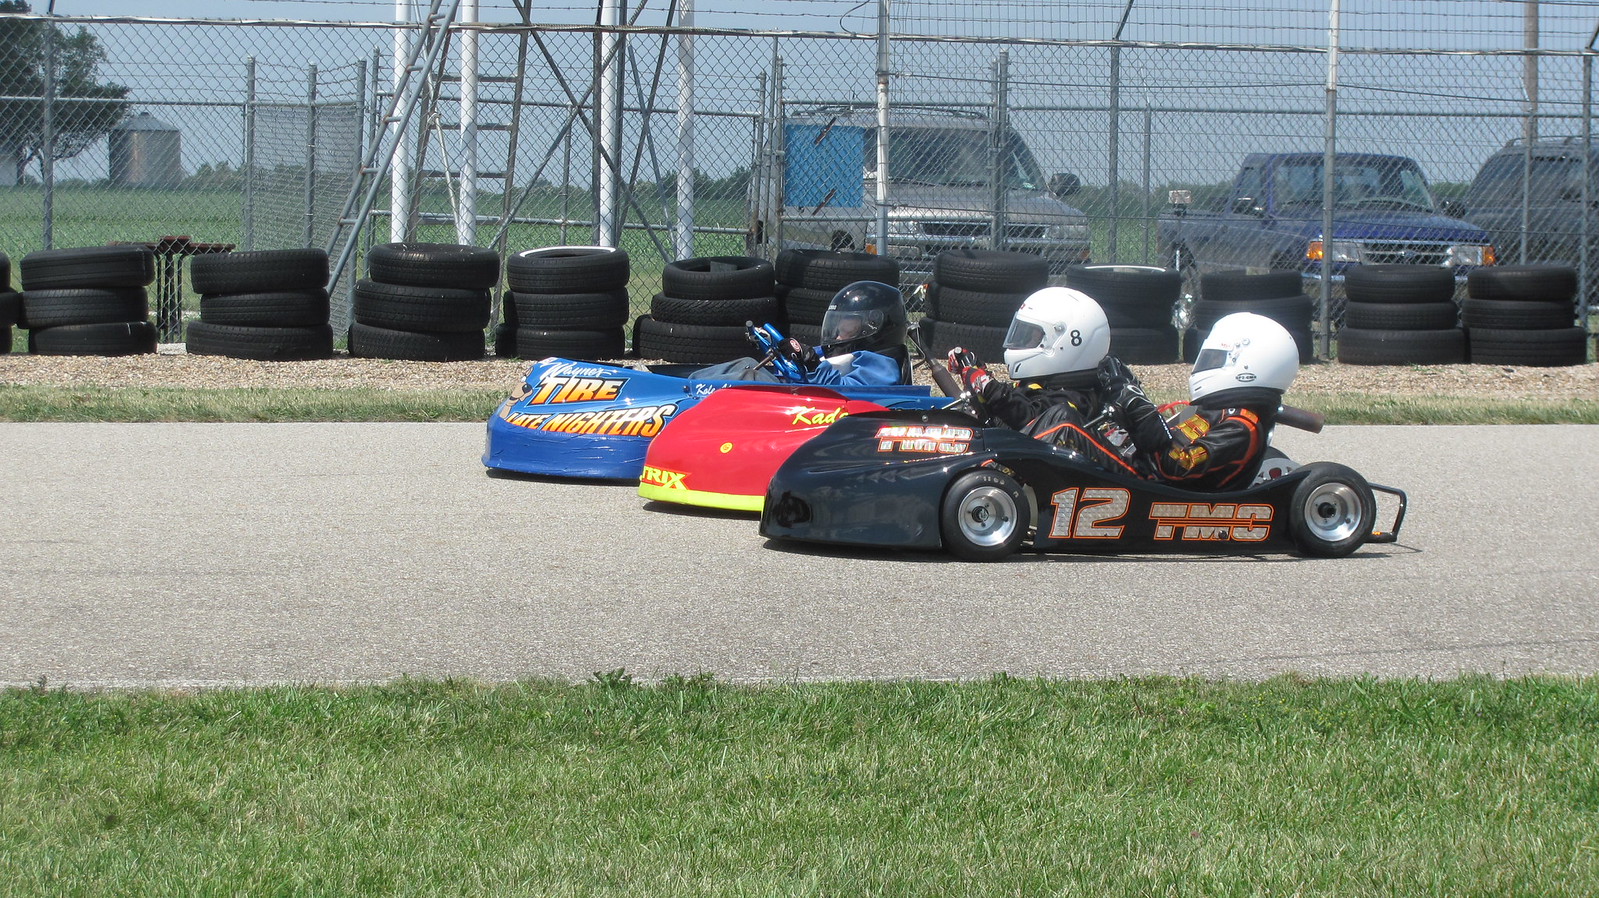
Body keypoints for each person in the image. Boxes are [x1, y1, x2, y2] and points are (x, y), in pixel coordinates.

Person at [944, 286, 1151, 476]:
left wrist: (988, 388)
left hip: (1081, 479)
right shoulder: (1044, 386)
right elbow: (1016, 407)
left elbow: (1030, 418)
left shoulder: (1079, 397)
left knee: (1061, 415)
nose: (1022, 344)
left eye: (1031, 337)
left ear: (1066, 341)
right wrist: (977, 372)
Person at [1103, 311, 1299, 491]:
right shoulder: (1218, 411)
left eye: (1215, 359)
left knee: (1072, 430)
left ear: (1249, 366)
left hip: (1162, 493)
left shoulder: (1241, 427)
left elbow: (1178, 466)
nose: (1207, 364)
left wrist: (1141, 414)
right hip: (1144, 476)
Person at [692, 280, 910, 387]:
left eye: (847, 327)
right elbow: (808, 357)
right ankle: (685, 389)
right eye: (838, 326)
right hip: (798, 399)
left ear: (872, 327)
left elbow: (849, 393)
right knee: (746, 364)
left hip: (826, 415)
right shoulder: (835, 354)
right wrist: (785, 351)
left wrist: (813, 364)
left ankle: (685, 402)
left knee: (751, 376)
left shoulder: (881, 365)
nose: (839, 333)